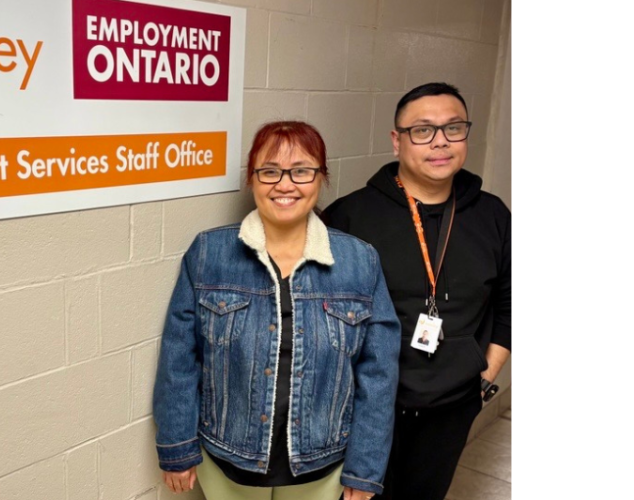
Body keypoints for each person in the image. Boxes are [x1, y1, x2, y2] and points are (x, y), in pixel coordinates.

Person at [153, 121, 401, 500]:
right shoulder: (209, 253)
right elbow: (179, 360)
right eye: (270, 171)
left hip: (323, 463)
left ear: (321, 177)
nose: (285, 185)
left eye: (301, 170)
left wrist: (365, 469)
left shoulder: (359, 261)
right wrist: (177, 446)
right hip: (227, 457)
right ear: (252, 179)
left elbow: (378, 374)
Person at [322, 82, 511, 500]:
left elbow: (510, 302)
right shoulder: (351, 217)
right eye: (423, 130)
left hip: (453, 404)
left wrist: (484, 371)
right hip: (365, 406)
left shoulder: (492, 214)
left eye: (453, 128)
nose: (440, 141)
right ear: (397, 140)